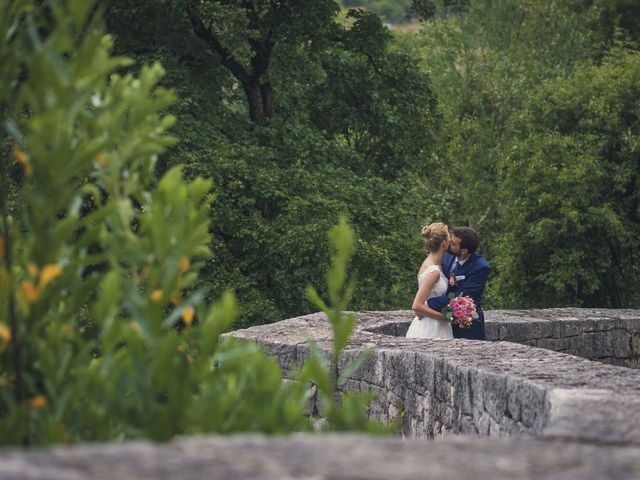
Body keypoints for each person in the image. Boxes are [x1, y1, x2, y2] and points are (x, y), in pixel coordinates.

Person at [427, 226, 490, 340]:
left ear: (464, 250)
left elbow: (460, 297)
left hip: (466, 327)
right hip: (442, 323)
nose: (448, 244)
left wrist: (427, 304)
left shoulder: (480, 267)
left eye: (453, 243)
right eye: (450, 239)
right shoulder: (447, 255)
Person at [406, 222, 454, 339]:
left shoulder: (434, 264)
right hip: (431, 326)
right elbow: (417, 306)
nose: (450, 240)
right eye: (448, 238)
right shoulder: (433, 271)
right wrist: (443, 317)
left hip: (435, 324)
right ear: (443, 243)